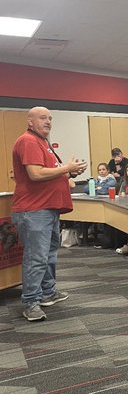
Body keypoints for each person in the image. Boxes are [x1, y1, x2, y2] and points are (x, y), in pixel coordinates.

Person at [11, 106, 87, 321]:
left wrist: (69, 171)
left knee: (49, 254)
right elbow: (35, 174)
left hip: (48, 208)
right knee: (36, 257)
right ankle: (31, 302)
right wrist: (66, 169)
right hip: (34, 210)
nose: (48, 121)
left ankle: (47, 292)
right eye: (43, 118)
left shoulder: (42, 142)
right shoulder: (28, 141)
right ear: (30, 121)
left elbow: (48, 172)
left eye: (50, 118)